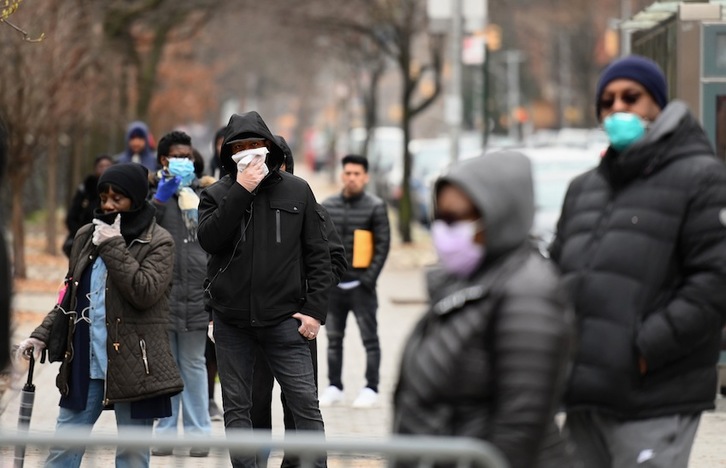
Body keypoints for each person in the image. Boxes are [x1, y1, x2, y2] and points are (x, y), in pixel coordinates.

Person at [549, 55, 726, 468]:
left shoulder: (703, 178)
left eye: (632, 98)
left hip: (655, 396)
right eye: (607, 102)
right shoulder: (583, 189)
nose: (617, 110)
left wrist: (643, 350)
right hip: (585, 395)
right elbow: (560, 273)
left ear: (658, 106)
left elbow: (715, 281)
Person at [392, 151, 574, 468]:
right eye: (441, 217)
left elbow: (520, 424)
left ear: (497, 215)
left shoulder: (528, 293)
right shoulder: (468, 280)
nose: (444, 230)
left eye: (457, 218)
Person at [16, 163, 183, 468]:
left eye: (117, 199)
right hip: (86, 360)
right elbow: (70, 295)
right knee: (63, 450)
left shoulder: (158, 241)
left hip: (137, 364)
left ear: (135, 198)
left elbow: (144, 292)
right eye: (103, 197)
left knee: (132, 457)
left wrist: (114, 246)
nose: (107, 205)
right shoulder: (86, 235)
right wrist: (42, 334)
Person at [198, 111, 331, 468]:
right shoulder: (216, 194)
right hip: (233, 324)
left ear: (269, 147)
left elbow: (319, 254)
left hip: (285, 321)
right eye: (238, 147)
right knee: (238, 410)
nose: (248, 152)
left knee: (305, 404)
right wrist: (241, 189)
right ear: (228, 154)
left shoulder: (297, 190)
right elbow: (209, 241)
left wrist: (315, 312)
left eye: (255, 145)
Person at [250, 135, 347, 468]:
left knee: (300, 403)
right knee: (253, 402)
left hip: (297, 322)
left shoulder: (307, 203)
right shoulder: (242, 203)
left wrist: (309, 304)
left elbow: (334, 259)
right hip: (251, 324)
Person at [150, 131, 212, 457]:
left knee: (193, 364)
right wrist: (160, 199)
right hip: (162, 295)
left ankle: (200, 434)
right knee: (166, 367)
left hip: (196, 294)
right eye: (178, 156)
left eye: (188, 156)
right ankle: (164, 433)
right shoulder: (154, 196)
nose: (184, 161)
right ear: (164, 160)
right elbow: (141, 230)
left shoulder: (205, 194)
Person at [319, 154, 390, 408]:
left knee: (370, 339)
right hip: (335, 287)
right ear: (342, 175)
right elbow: (320, 245)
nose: (352, 178)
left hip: (362, 286)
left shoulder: (375, 207)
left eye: (357, 174)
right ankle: (334, 386)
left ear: (366, 177)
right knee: (333, 339)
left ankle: (371, 387)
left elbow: (382, 247)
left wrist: (368, 280)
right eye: (348, 173)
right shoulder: (327, 205)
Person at [63, 154, 114, 257]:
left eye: (107, 166)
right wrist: (81, 235)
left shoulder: (119, 188)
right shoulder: (85, 189)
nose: (104, 169)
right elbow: (71, 216)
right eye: (101, 166)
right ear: (95, 169)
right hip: (85, 239)